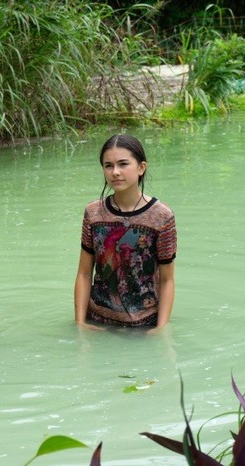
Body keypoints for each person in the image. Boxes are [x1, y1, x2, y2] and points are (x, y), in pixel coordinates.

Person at [74, 134, 176, 332]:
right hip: (97, 322)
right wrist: (80, 324)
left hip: (145, 325)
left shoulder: (162, 216)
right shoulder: (93, 213)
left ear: (141, 167)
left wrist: (160, 329)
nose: (115, 172)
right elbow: (84, 273)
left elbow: (167, 280)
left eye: (123, 164)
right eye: (108, 166)